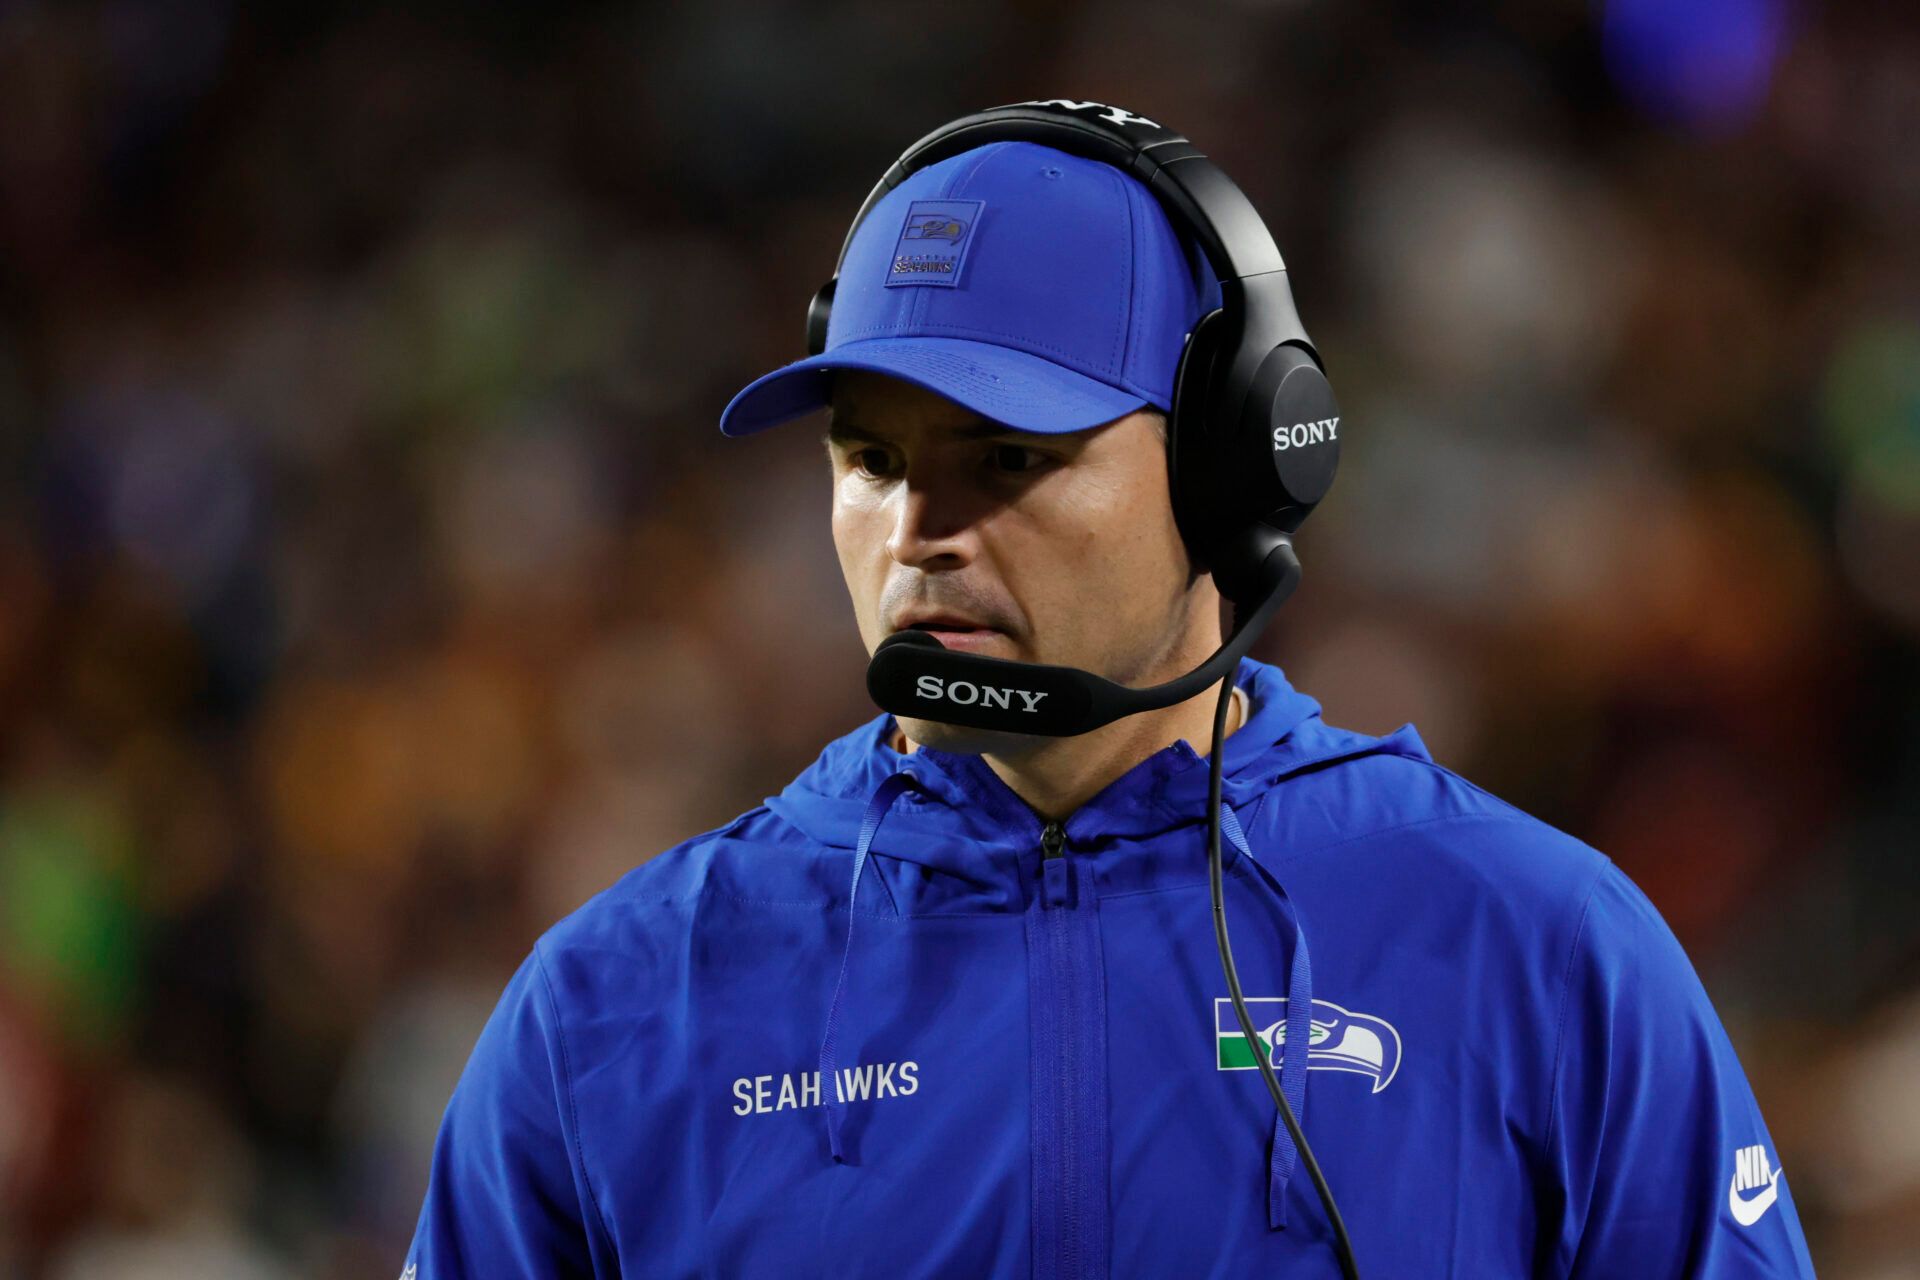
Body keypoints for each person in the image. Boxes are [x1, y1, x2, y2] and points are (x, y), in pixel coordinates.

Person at [402, 109, 1819, 1278]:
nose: (917, 533)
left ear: (1234, 463)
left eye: (1008, 458)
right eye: (872, 460)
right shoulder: (619, 1001)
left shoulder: (1533, 947)